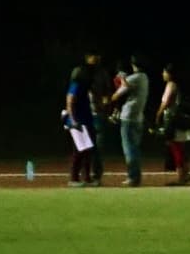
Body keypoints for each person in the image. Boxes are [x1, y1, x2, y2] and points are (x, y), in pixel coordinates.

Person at [104, 55, 150, 188]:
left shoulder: (134, 78)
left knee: (129, 149)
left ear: (133, 65)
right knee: (134, 148)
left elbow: (116, 95)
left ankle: (133, 177)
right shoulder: (145, 77)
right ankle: (136, 177)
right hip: (138, 118)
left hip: (129, 117)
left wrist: (120, 77)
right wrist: (122, 78)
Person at [61, 54, 104, 185]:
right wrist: (73, 121)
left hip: (86, 119)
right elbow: (69, 101)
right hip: (77, 120)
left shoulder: (85, 87)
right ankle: (74, 179)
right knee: (80, 150)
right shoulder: (76, 84)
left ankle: (87, 178)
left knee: (89, 149)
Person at [154, 64, 190, 183]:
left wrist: (158, 114)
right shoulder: (178, 85)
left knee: (175, 147)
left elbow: (166, 102)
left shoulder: (171, 85)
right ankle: (186, 173)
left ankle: (181, 176)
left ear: (169, 74)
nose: (163, 74)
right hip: (179, 120)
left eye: (164, 72)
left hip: (173, 120)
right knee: (180, 147)